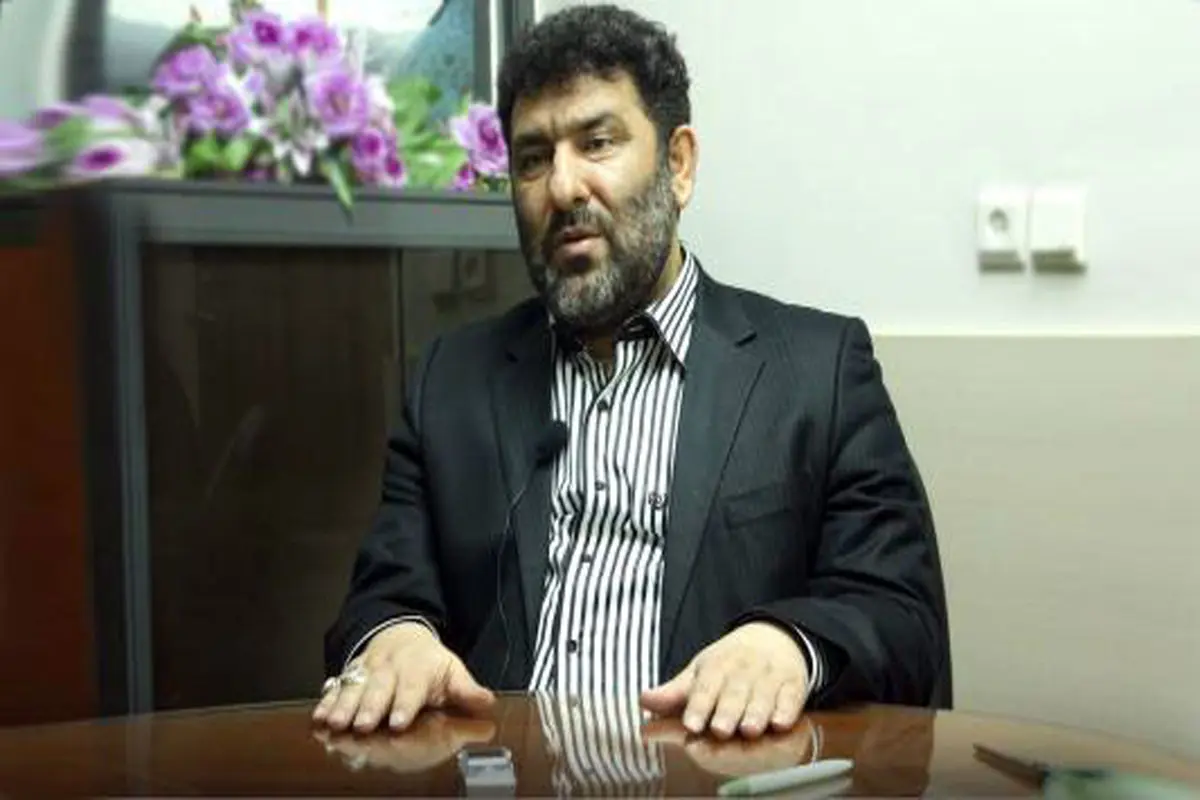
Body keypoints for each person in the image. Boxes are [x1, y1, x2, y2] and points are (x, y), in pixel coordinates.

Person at [314, 3, 950, 741]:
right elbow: (381, 595)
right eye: (532, 158)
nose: (562, 187)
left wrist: (788, 644)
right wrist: (396, 637)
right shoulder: (449, 381)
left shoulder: (819, 371)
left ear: (678, 164)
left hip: (713, 774)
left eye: (598, 143)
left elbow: (902, 616)